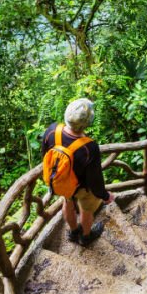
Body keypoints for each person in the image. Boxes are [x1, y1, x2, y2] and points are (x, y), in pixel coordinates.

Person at [41, 98, 114, 247]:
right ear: (87, 123)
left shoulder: (52, 131)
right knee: (86, 210)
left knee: (67, 202)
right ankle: (85, 236)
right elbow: (95, 179)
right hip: (82, 187)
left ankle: (74, 232)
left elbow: (45, 156)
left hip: (62, 182)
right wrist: (105, 196)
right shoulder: (89, 147)